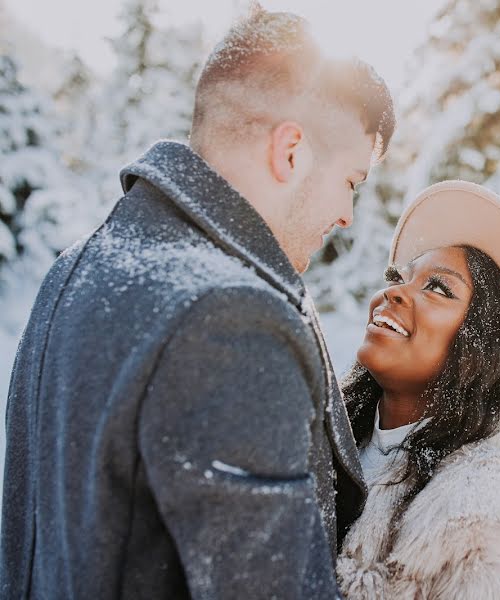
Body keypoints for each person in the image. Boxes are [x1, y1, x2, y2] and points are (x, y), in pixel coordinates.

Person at [1, 7, 394, 598]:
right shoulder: (232, 323)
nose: (347, 214)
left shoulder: (77, 269)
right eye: (352, 182)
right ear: (291, 152)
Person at [336, 181, 500, 598]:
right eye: (398, 278)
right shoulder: (314, 435)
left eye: (437, 287)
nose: (392, 292)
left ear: (482, 348)